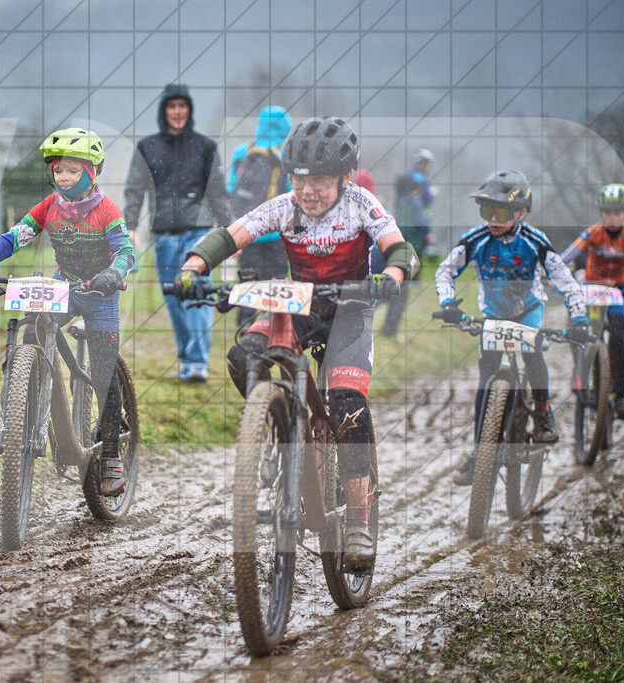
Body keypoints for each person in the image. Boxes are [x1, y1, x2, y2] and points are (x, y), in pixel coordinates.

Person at [174, 115, 421, 571]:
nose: (308, 190)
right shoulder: (282, 206)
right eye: (300, 178)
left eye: (322, 181)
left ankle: (360, 518)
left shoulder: (361, 204)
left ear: (345, 178)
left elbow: (399, 247)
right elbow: (231, 236)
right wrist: (193, 268)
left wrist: (391, 276)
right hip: (302, 302)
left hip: (351, 308)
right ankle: (273, 424)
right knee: (242, 357)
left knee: (346, 404)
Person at [0, 128, 135, 496]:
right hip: (64, 286)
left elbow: (126, 252)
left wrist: (113, 274)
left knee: (103, 371)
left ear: (91, 172)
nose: (63, 177)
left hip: (99, 292)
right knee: (31, 326)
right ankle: (23, 403)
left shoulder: (108, 210)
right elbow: (15, 236)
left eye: (73, 170)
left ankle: (112, 453)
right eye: (58, 170)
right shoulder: (49, 206)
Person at [436, 170, 588, 486]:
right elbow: (445, 270)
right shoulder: (476, 239)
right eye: (485, 210)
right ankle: (481, 451)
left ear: (520, 212)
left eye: (501, 211)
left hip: (528, 313)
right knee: (486, 379)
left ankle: (543, 412)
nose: (492, 218)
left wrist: (580, 318)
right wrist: (449, 304)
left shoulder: (535, 241)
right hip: (492, 316)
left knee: (532, 355)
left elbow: (564, 279)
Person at [124, 83, 234, 382]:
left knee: (196, 295)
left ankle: (197, 363)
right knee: (174, 298)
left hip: (198, 232)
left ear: (189, 110)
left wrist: (230, 231)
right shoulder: (147, 147)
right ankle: (187, 360)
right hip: (164, 235)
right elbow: (134, 190)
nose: (177, 112)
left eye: (182, 106)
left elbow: (218, 191)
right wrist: (131, 226)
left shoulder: (206, 147)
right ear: (164, 110)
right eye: (172, 106)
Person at [559, 183, 624, 420]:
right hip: (592, 290)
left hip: (617, 292)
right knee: (579, 327)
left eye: (616, 212)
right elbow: (570, 254)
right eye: (607, 212)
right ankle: (579, 370)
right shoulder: (592, 232)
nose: (611, 217)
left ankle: (620, 395)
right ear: (601, 213)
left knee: (617, 337)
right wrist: (556, 271)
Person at [226, 105, 292, 325]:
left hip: (247, 230)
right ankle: (272, 326)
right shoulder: (286, 154)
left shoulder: (243, 152)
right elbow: (294, 194)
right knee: (276, 282)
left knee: (247, 278)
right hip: (276, 232)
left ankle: (245, 325)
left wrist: (234, 227)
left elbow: (231, 189)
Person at [380, 174, 429, 337]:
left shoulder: (399, 201)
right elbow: (421, 223)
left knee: (387, 290)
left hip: (391, 251)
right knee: (399, 293)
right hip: (406, 251)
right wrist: (426, 236)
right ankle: (389, 331)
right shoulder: (413, 202)